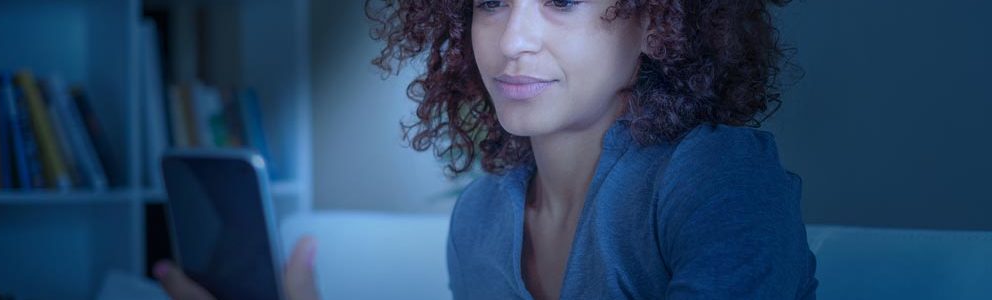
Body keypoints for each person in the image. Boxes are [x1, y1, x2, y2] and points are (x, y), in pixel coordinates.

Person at [157, 0, 818, 299]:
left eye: (563, 0)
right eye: (492, 2)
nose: (512, 40)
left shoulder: (715, 179)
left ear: (653, 20)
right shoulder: (479, 222)